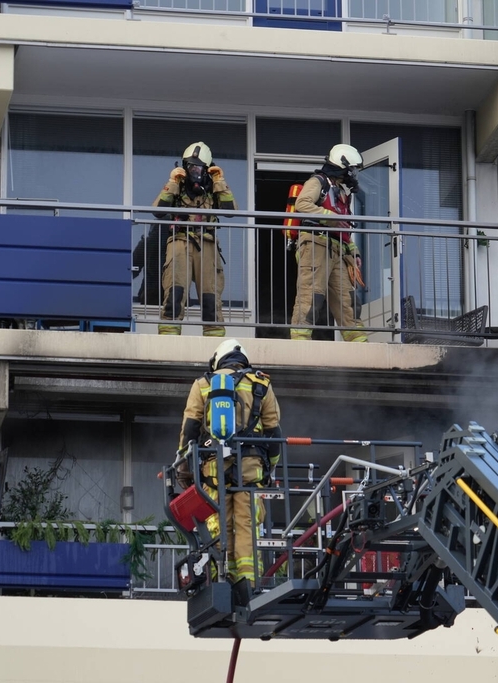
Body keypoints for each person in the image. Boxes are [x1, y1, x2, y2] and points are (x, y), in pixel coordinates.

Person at [176, 339, 282, 589]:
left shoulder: (203, 384)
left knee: (217, 522)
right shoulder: (262, 384)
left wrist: (183, 466)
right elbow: (274, 434)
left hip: (214, 470)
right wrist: (270, 468)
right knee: (246, 524)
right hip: (250, 470)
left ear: (217, 360)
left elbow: (190, 430)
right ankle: (247, 583)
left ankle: (219, 578)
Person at [155, 142, 236, 336]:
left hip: (207, 244)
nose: (194, 170)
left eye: (199, 167)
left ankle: (213, 338)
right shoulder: (177, 185)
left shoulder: (214, 188)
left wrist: (219, 181)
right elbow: (158, 211)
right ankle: (168, 337)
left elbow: (230, 211)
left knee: (211, 296)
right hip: (179, 242)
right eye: (191, 166)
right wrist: (173, 182)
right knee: (175, 291)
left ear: (207, 168)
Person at [289, 143, 367, 343]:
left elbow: (344, 227)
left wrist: (354, 251)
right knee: (311, 294)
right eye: (352, 169)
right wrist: (329, 216)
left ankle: (359, 344)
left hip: (339, 250)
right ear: (342, 166)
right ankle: (300, 342)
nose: (353, 174)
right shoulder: (318, 181)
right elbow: (302, 203)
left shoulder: (341, 192)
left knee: (348, 300)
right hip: (316, 243)